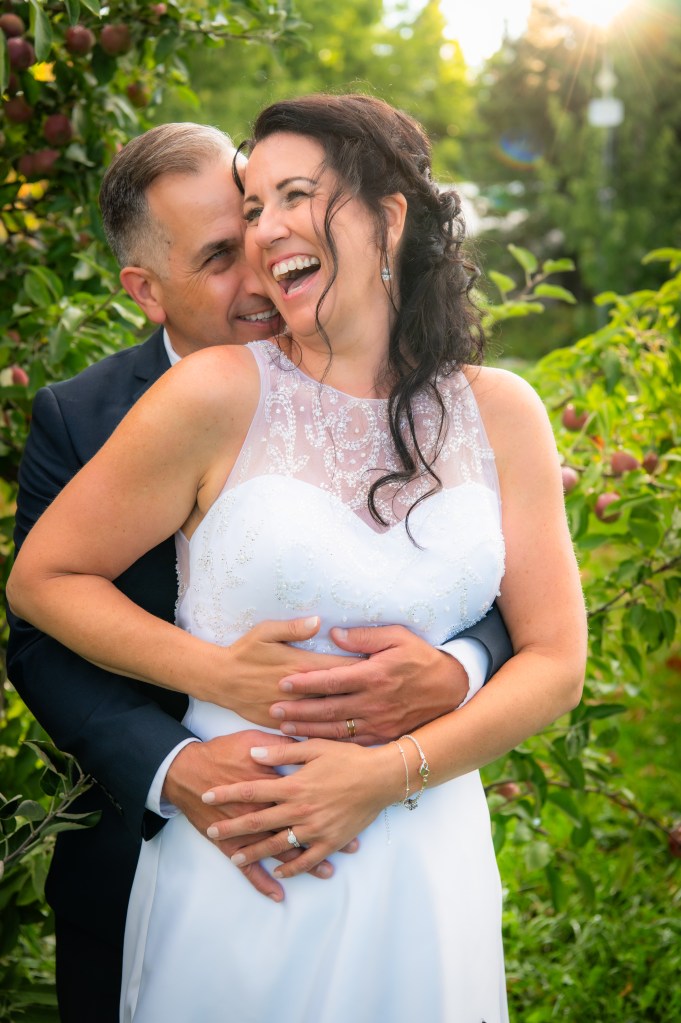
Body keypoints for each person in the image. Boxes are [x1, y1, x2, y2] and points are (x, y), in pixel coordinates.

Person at [8, 94, 585, 1022]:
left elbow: (552, 650)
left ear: (388, 219)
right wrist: (216, 683)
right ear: (145, 288)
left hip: (425, 854)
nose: (264, 239)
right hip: (241, 847)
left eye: (289, 199)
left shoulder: (499, 410)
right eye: (245, 218)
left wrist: (402, 752)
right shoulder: (198, 395)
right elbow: (41, 587)